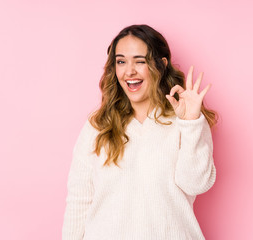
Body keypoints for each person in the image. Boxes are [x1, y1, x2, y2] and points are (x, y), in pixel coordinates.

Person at [62, 24, 217, 240]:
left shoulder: (186, 121)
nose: (129, 71)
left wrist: (190, 123)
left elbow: (195, 184)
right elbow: (79, 201)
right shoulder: (98, 126)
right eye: (121, 61)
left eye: (140, 61)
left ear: (161, 65)